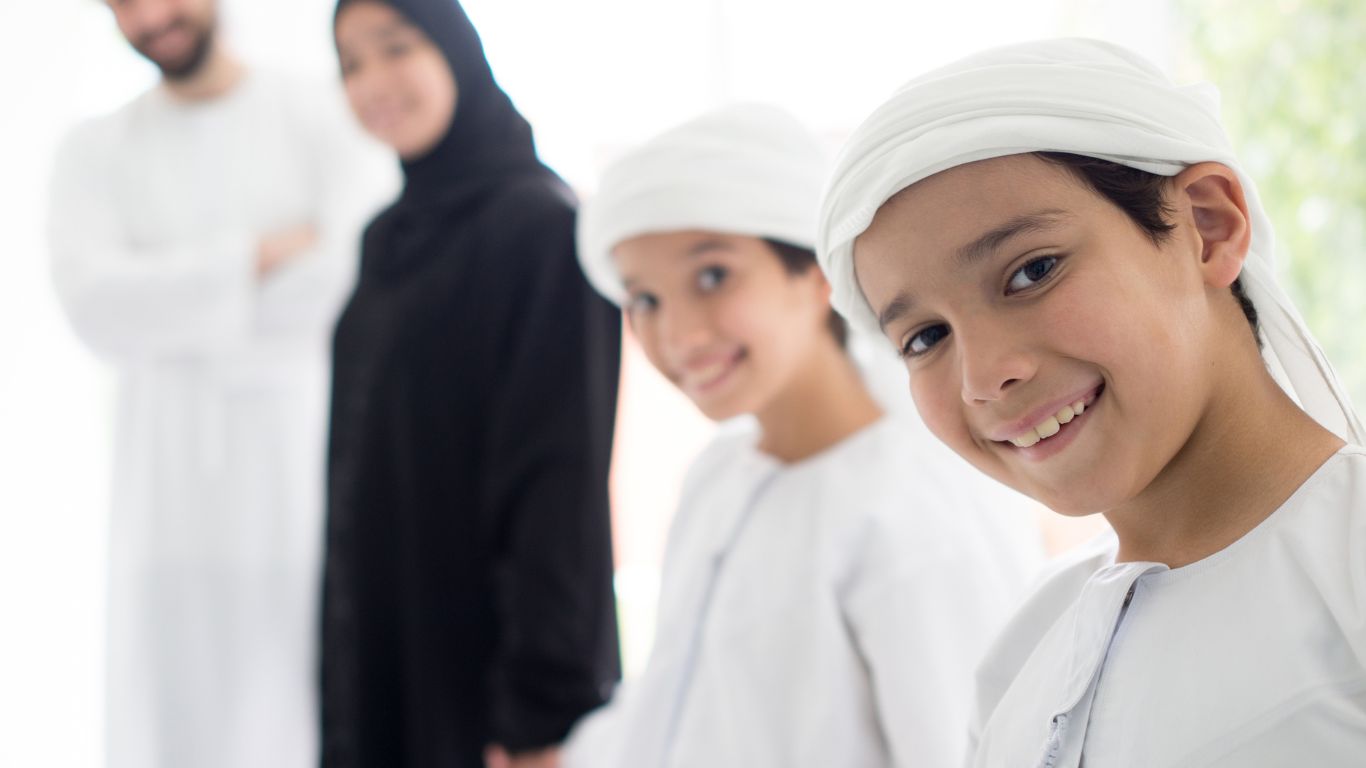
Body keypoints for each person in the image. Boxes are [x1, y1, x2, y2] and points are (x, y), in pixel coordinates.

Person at [816, 38, 1366, 768]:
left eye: (1031, 272)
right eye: (924, 338)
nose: (983, 377)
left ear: (1207, 225)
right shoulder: (1023, 654)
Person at [564, 103, 1042, 768]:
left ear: (816, 274)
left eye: (712, 277)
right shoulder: (720, 475)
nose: (676, 335)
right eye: (644, 299)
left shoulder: (912, 511)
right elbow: (679, 709)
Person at [46, 1, 395, 765]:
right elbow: (94, 308)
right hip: (161, 492)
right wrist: (252, 258)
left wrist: (169, 298)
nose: (151, 17)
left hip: (299, 474)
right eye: (124, 5)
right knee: (170, 713)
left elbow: (347, 276)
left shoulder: (321, 113)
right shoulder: (94, 149)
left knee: (302, 699)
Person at [324, 1, 622, 766]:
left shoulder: (541, 226)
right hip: (381, 652)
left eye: (395, 48)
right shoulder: (386, 237)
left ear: (457, 51)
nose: (374, 81)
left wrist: (540, 713)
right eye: (352, 62)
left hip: (488, 683)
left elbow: (559, 483)